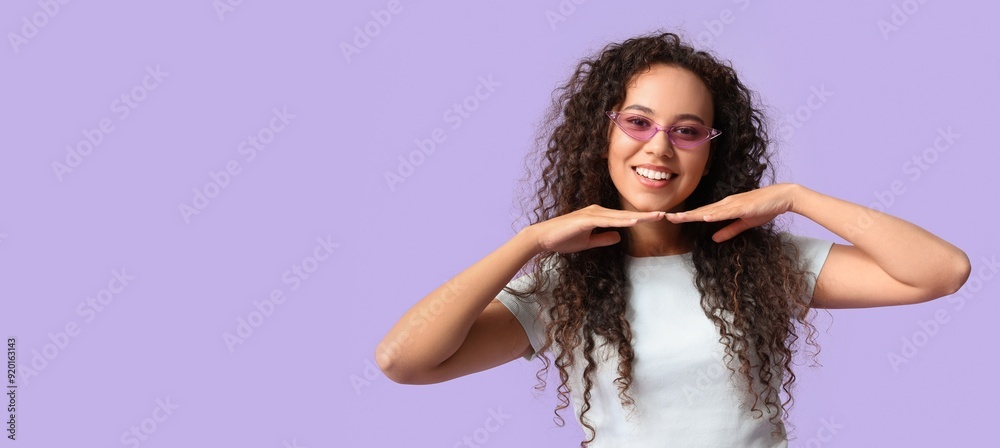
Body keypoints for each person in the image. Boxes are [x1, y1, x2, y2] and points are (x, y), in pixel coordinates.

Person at [374, 30, 971, 447]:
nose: (658, 147)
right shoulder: (565, 286)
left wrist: (797, 198)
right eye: (638, 122)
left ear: (711, 153)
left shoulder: (761, 265)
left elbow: (941, 271)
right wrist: (531, 242)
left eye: (686, 131)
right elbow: (402, 360)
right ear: (600, 135)